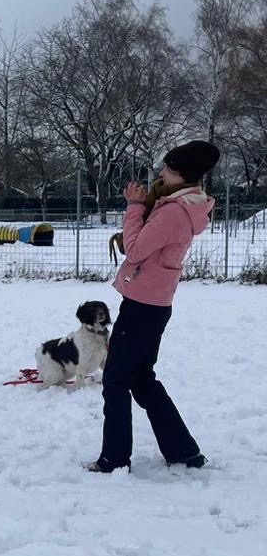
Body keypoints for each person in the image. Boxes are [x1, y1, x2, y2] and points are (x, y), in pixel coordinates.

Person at [88, 140, 220, 473]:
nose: (161, 172)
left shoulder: (175, 211)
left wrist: (134, 207)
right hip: (153, 304)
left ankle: (114, 460)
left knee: (116, 380)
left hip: (143, 306)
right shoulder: (182, 205)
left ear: (182, 174)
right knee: (142, 379)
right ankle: (183, 451)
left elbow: (135, 250)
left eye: (167, 168)